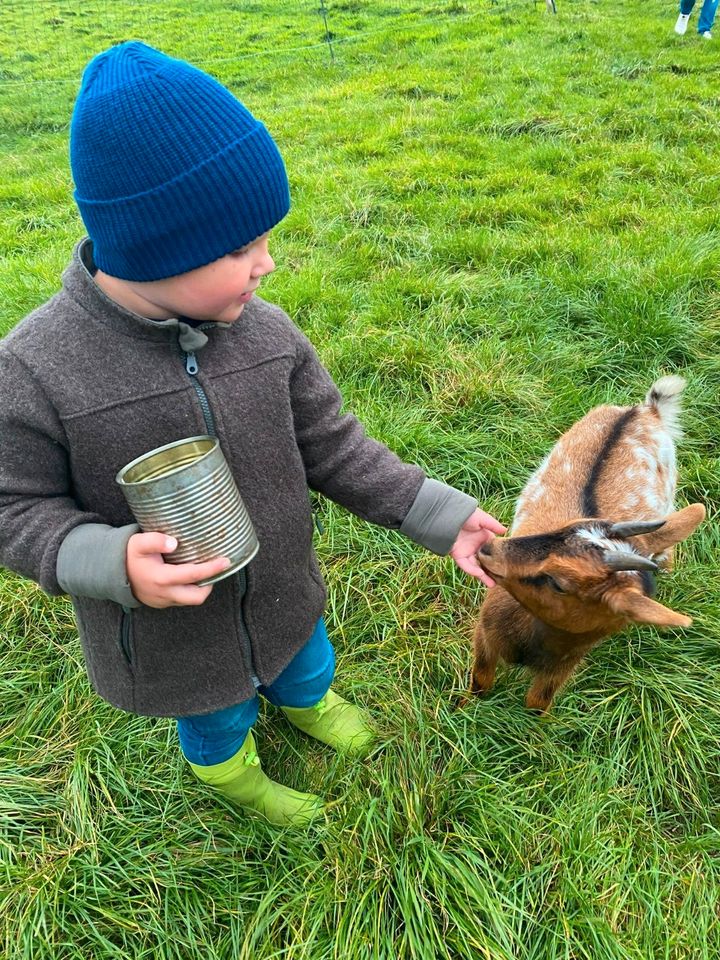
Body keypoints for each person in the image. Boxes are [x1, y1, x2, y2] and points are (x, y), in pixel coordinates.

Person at [0, 42, 505, 827]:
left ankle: (307, 703)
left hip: (282, 594)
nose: (267, 264)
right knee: (217, 715)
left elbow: (335, 445)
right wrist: (103, 559)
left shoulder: (265, 334)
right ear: (151, 246)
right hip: (176, 638)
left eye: (265, 238)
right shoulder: (36, 371)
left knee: (307, 663)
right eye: (239, 249)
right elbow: (12, 508)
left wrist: (438, 515)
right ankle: (229, 772)